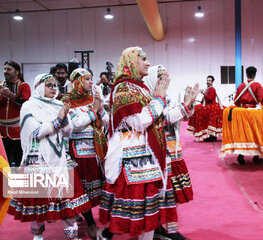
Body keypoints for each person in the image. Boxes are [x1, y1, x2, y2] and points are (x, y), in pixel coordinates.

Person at [98, 47, 177, 240]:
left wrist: (184, 106)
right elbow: (140, 121)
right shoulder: (123, 88)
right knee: (140, 216)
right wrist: (158, 99)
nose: (148, 63)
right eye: (143, 59)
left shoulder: (140, 87)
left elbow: (159, 118)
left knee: (147, 217)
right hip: (133, 158)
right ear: (131, 62)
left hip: (146, 156)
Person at [7, 74, 92, 240]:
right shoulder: (29, 106)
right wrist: (59, 118)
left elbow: (67, 132)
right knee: (39, 202)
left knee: (67, 202)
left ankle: (72, 235)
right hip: (38, 160)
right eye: (49, 85)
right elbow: (36, 132)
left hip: (60, 158)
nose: (54, 88)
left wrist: (65, 120)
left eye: (55, 85)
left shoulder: (58, 104)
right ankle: (38, 235)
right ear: (39, 86)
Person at [143, 65, 200, 240]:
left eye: (165, 77)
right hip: (155, 153)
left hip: (172, 151)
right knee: (159, 192)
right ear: (152, 79)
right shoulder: (147, 100)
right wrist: (185, 104)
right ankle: (158, 228)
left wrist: (188, 105)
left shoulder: (166, 98)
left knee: (172, 192)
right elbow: (166, 117)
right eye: (159, 78)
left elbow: (179, 116)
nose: (164, 81)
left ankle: (168, 229)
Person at [62, 68, 109, 239]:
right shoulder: (68, 101)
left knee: (101, 187)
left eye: (91, 78)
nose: (91, 82)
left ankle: (99, 218)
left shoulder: (93, 100)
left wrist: (100, 109)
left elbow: (105, 120)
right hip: (80, 153)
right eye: (86, 79)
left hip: (98, 151)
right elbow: (75, 125)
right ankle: (90, 223)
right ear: (77, 82)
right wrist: (93, 111)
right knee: (84, 190)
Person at [233, 66, 263, 165]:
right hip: (254, 113)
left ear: (246, 74)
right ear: (254, 75)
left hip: (242, 112)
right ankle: (256, 156)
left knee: (243, 133)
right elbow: (262, 99)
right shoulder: (257, 85)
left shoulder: (241, 86)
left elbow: (236, 101)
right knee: (255, 133)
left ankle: (241, 156)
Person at [0, 61, 31, 167]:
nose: (6, 72)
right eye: (5, 69)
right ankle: (6, 182)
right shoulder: (0, 85)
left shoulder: (24, 86)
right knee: (4, 161)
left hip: (18, 131)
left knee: (19, 160)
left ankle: (20, 182)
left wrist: (10, 95)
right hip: (2, 131)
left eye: (9, 69)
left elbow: (26, 104)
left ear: (17, 72)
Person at [187, 75, 224, 141]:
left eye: (209, 80)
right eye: (207, 80)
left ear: (212, 82)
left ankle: (209, 134)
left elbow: (210, 99)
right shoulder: (208, 88)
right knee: (196, 108)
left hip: (211, 106)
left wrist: (203, 93)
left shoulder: (212, 89)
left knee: (197, 109)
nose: (208, 82)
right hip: (207, 105)